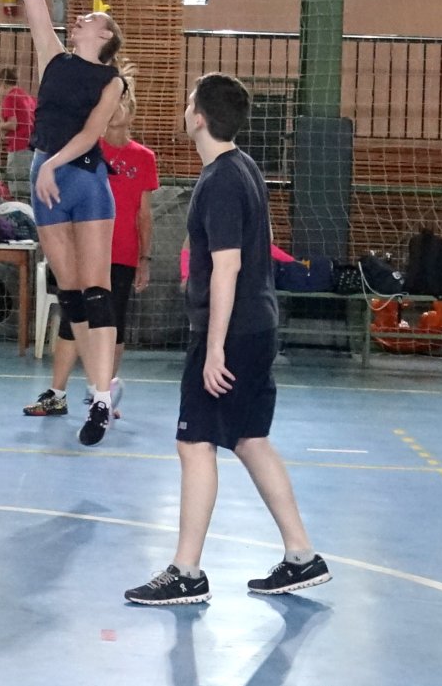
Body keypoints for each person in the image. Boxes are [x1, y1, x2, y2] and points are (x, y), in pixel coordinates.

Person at [124, 73, 329, 605]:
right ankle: (302, 556)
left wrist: (214, 347)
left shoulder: (219, 180)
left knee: (194, 443)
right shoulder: (245, 168)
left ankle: (186, 571)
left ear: (199, 118)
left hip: (233, 333)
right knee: (250, 438)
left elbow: (227, 267)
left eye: (189, 100)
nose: (184, 107)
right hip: (259, 326)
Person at [8, 0, 129, 446]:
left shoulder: (111, 81)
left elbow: (92, 134)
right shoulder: (53, 57)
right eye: (81, 17)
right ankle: (95, 390)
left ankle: (100, 398)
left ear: (106, 36)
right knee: (72, 292)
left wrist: (51, 164)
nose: (81, 18)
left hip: (81, 177)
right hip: (47, 178)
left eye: (91, 19)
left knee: (98, 289)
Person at [24, 94, 158, 417]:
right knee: (73, 318)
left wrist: (145, 258)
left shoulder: (143, 157)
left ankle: (103, 394)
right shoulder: (86, 148)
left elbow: (144, 213)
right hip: (88, 250)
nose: (116, 110)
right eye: (112, 104)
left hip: (122, 252)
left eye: (123, 104)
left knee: (112, 325)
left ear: (132, 113)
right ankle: (57, 393)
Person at [0, 65, 37, 201]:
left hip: (19, 148)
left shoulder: (10, 98)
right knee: (29, 189)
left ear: (2, 83)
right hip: (32, 148)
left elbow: (12, 124)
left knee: (19, 190)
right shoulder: (27, 97)